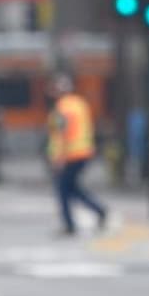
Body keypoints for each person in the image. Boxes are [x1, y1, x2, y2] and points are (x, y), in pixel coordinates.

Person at [46, 74, 108, 236]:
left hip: (70, 155)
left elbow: (62, 134)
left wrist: (59, 157)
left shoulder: (62, 108)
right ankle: (99, 210)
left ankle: (69, 224)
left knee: (63, 190)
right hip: (84, 152)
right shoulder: (80, 104)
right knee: (72, 188)